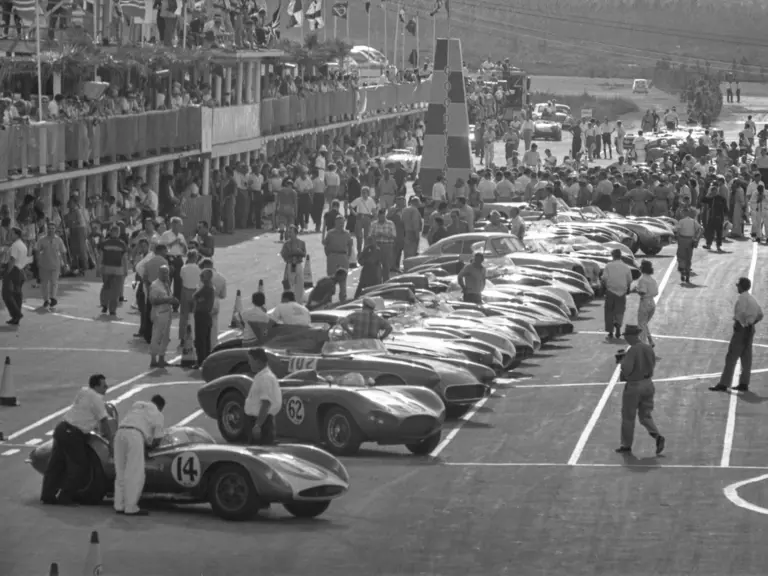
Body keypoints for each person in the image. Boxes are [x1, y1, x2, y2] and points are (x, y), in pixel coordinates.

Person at [41, 374, 114, 505]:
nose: (107, 387)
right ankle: (65, 496)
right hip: (73, 434)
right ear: (96, 386)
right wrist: (111, 443)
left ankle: (47, 495)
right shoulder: (97, 399)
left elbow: (83, 411)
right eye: (104, 385)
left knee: (56, 464)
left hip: (62, 428)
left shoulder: (84, 391)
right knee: (79, 466)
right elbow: (104, 423)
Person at [615, 325, 665, 456]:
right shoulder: (647, 348)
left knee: (628, 417)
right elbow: (652, 364)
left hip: (634, 386)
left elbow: (627, 369)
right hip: (648, 384)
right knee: (645, 415)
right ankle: (657, 435)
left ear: (630, 336)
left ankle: (626, 445)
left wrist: (621, 361)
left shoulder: (632, 350)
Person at [113, 395, 165, 516]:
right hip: (135, 435)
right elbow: (157, 439)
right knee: (134, 472)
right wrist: (148, 448)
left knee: (120, 471)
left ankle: (119, 505)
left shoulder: (138, 405)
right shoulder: (157, 414)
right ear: (161, 406)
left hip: (119, 433)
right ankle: (130, 507)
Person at [709, 277, 764, 393]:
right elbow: (760, 314)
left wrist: (744, 325)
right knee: (746, 357)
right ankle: (744, 383)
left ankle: (724, 383)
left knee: (732, 357)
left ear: (741, 286)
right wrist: (751, 324)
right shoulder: (752, 298)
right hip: (750, 329)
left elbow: (741, 313)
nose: (737, 287)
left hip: (742, 329)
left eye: (738, 285)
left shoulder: (742, 298)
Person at [244, 348, 282, 445]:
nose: (249, 364)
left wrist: (258, 425)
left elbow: (266, 403)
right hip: (260, 421)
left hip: (262, 423)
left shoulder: (266, 378)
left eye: (251, 361)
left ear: (258, 362)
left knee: (259, 452)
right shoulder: (261, 376)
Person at [149, 265, 177, 368]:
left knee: (166, 337)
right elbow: (153, 301)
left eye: (167, 272)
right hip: (159, 313)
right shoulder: (155, 285)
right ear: (159, 273)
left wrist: (172, 300)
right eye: (163, 272)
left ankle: (161, 358)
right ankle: (153, 359)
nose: (166, 274)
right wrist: (168, 300)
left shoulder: (166, 283)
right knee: (157, 336)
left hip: (167, 312)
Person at [34, 221, 67, 311]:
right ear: (46, 229)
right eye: (49, 228)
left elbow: (63, 252)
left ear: (55, 229)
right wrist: (37, 260)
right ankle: (46, 300)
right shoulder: (42, 239)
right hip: (44, 265)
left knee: (54, 282)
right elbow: (36, 249)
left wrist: (65, 264)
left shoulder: (59, 240)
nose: (51, 230)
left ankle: (53, 298)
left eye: (52, 228)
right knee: (44, 283)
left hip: (55, 264)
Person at [601, 249, 633, 340]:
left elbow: (604, 278)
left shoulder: (608, 266)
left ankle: (610, 332)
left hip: (610, 291)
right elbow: (629, 280)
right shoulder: (626, 267)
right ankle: (618, 328)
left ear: (613, 256)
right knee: (619, 311)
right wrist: (627, 289)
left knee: (609, 311)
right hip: (621, 292)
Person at [322, 216, 354, 302]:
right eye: (339, 223)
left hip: (343, 257)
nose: (341, 225)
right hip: (332, 257)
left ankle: (343, 300)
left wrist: (348, 257)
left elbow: (350, 246)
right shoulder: (330, 233)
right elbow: (326, 245)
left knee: (343, 282)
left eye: (343, 223)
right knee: (330, 281)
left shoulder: (347, 234)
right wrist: (328, 255)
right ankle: (328, 301)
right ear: (335, 223)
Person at [99, 224, 129, 316]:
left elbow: (100, 256)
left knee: (107, 287)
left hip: (107, 268)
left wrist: (99, 267)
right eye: (115, 231)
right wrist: (126, 269)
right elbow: (124, 258)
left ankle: (105, 305)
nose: (116, 233)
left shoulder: (105, 243)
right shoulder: (122, 244)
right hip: (117, 269)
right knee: (115, 290)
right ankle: (112, 309)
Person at [2, 226, 27, 325]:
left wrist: (7, 271)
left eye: (12, 233)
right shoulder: (22, 245)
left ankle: (16, 313)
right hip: (20, 270)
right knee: (17, 295)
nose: (10, 235)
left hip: (14, 270)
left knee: (6, 294)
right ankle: (16, 317)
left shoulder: (16, 245)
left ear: (17, 234)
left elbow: (12, 260)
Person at [191, 269, 216, 366]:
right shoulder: (210, 287)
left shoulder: (206, 288)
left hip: (202, 315)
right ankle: (206, 359)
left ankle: (201, 360)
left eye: (202, 276)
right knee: (206, 338)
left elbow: (195, 296)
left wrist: (198, 300)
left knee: (200, 339)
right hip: (207, 315)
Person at [632, 260, 658, 347]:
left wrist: (636, 290)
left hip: (645, 302)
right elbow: (656, 292)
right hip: (652, 303)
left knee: (641, 324)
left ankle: (643, 345)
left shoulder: (642, 279)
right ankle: (650, 341)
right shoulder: (652, 280)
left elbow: (643, 292)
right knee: (644, 323)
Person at [675, 209, 702, 283]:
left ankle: (682, 271)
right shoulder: (694, 221)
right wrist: (697, 238)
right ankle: (687, 274)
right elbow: (700, 229)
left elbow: (676, 230)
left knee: (681, 257)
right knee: (688, 258)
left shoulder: (681, 221)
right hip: (690, 241)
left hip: (682, 240)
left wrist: (677, 238)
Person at [178, 250, 201, 341]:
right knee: (195, 314)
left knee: (184, 315)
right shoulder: (198, 269)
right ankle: (194, 335)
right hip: (195, 291)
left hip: (185, 291)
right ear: (195, 257)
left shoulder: (183, 268)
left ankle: (182, 336)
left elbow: (182, 278)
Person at [280, 226, 307, 302]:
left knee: (300, 283)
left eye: (291, 232)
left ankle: (299, 300)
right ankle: (291, 300)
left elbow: (304, 254)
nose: (289, 234)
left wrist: (299, 252)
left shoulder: (301, 243)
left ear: (295, 233)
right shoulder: (286, 244)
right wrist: (290, 256)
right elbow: (283, 254)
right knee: (291, 283)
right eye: (288, 232)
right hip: (290, 265)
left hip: (298, 264)